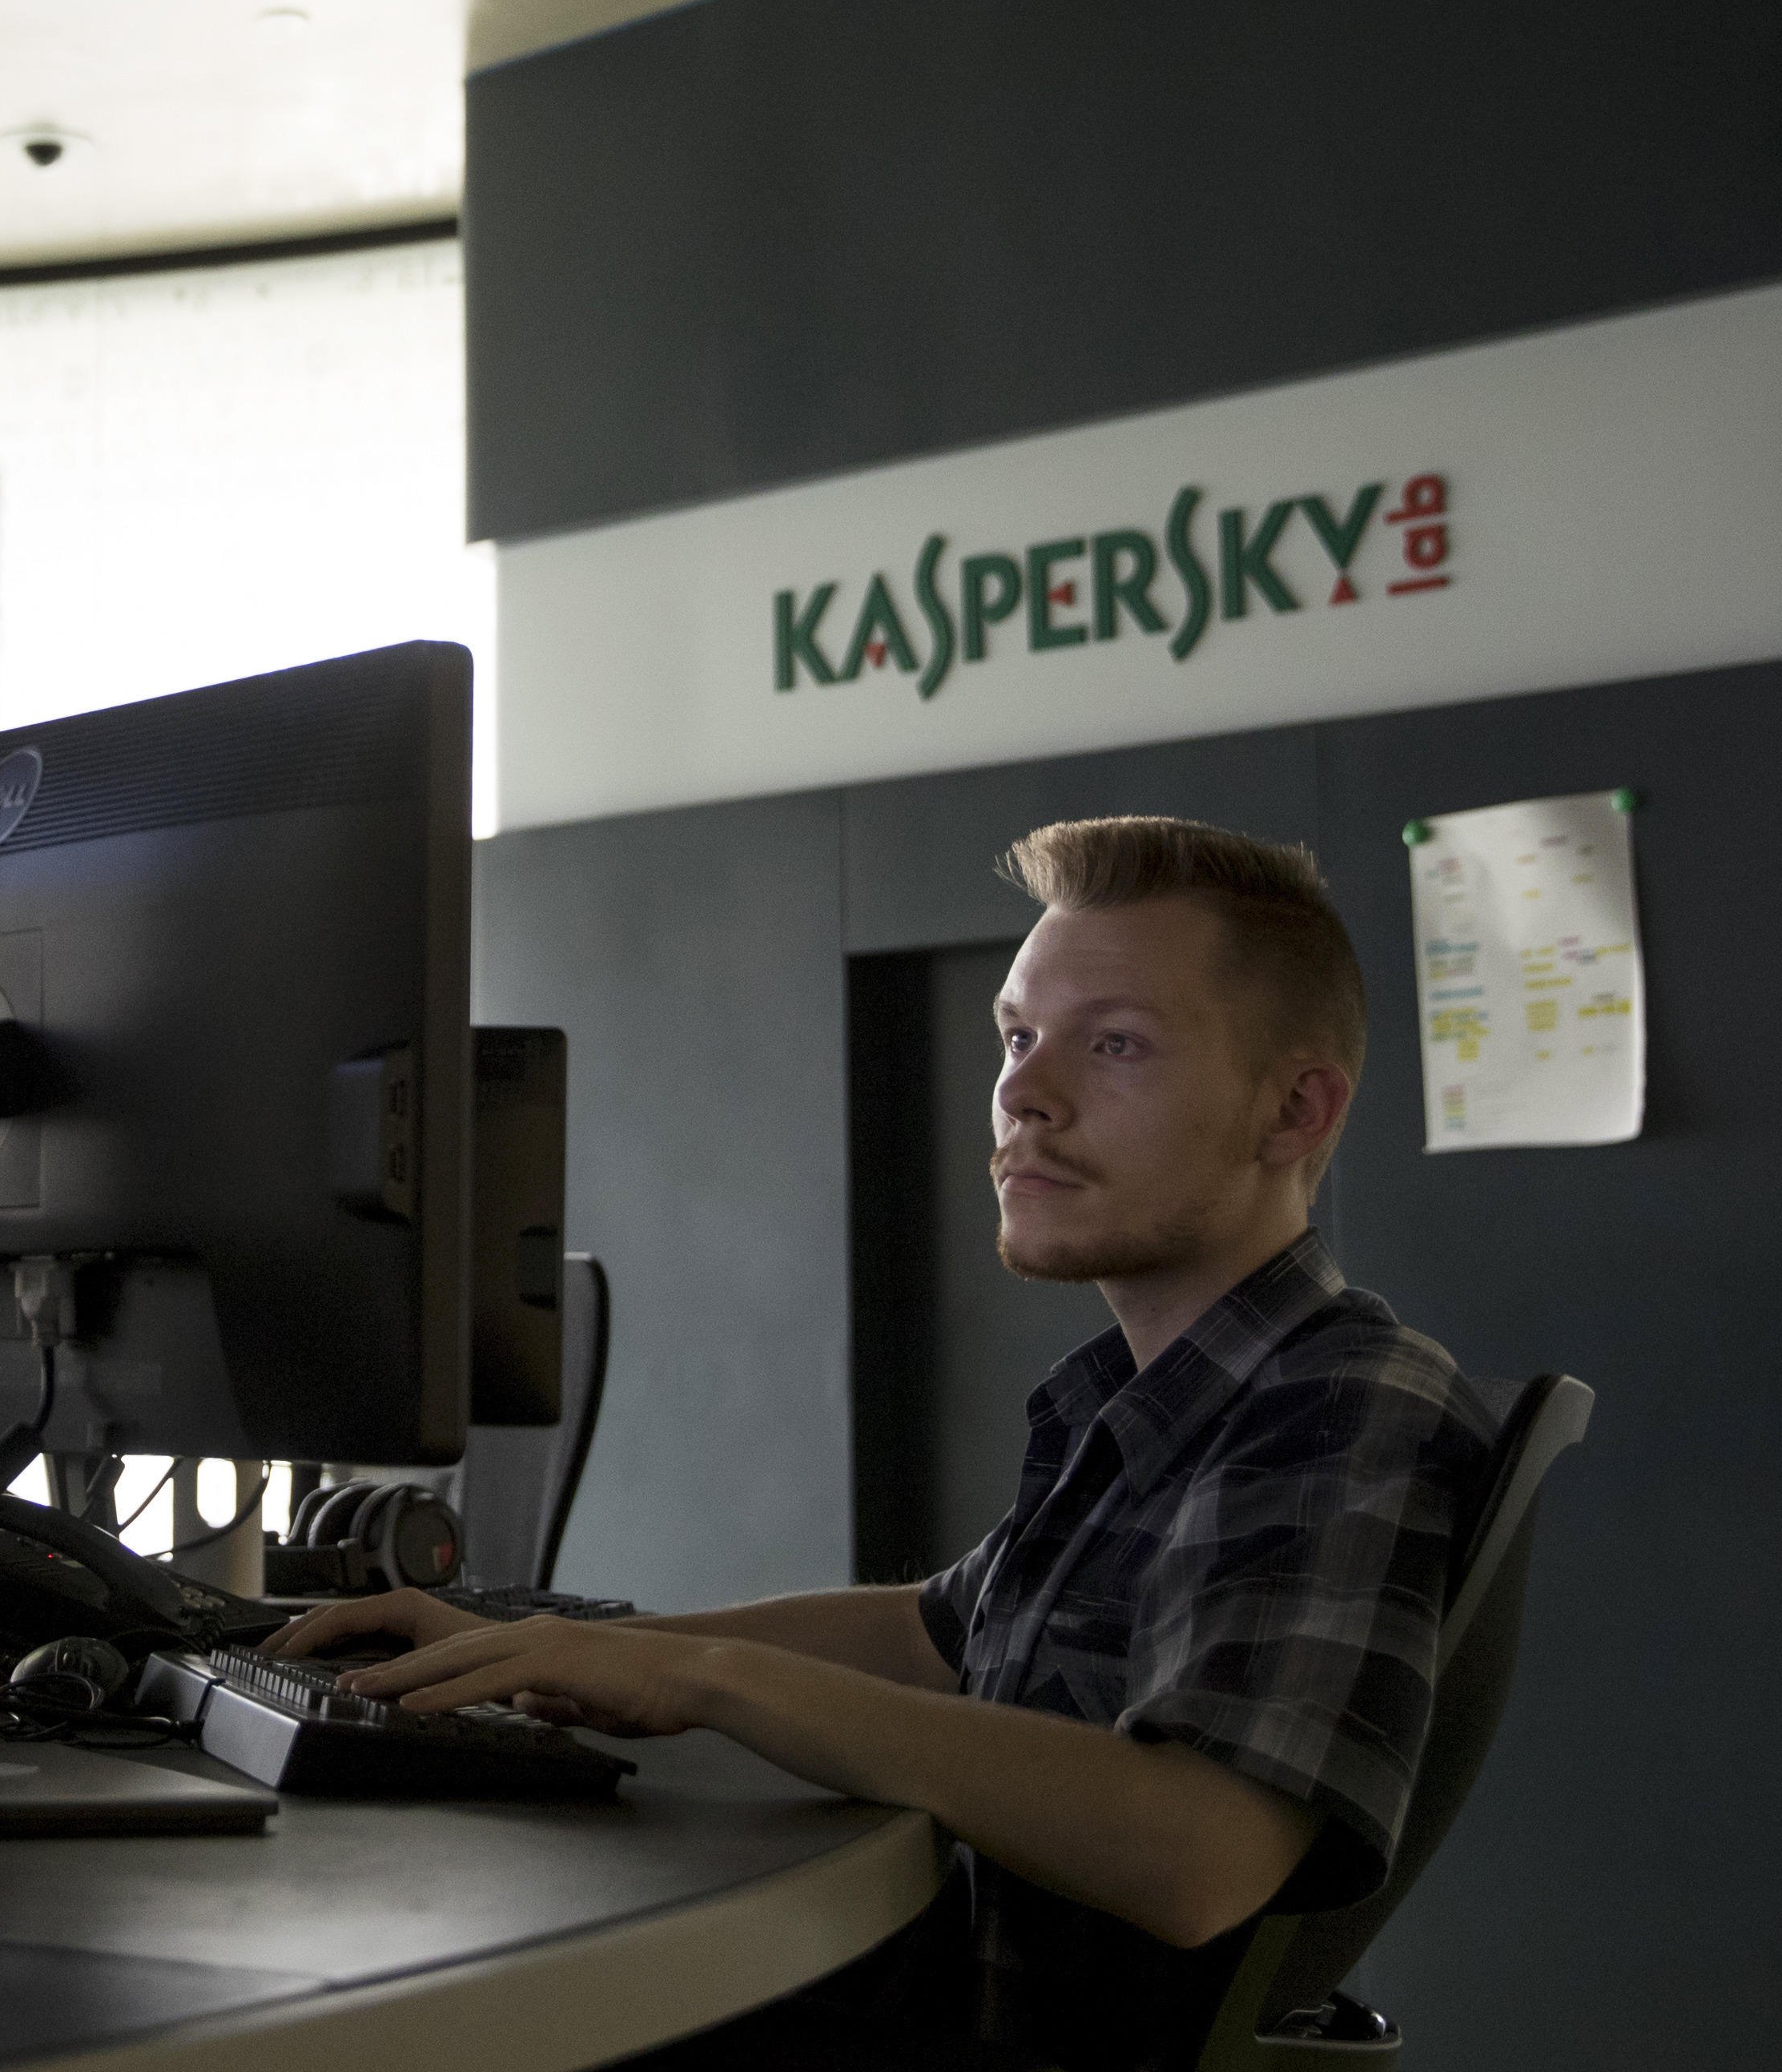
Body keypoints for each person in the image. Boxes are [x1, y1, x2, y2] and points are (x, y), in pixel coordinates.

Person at [272, 816, 1502, 2072]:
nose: (1024, 1092)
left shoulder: (1341, 1400)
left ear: (1293, 1110)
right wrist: (564, 1647)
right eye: (1018, 1037)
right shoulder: (1150, 1403)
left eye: (1115, 1043)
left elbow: (1199, 1850)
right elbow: (930, 1633)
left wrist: (713, 1684)